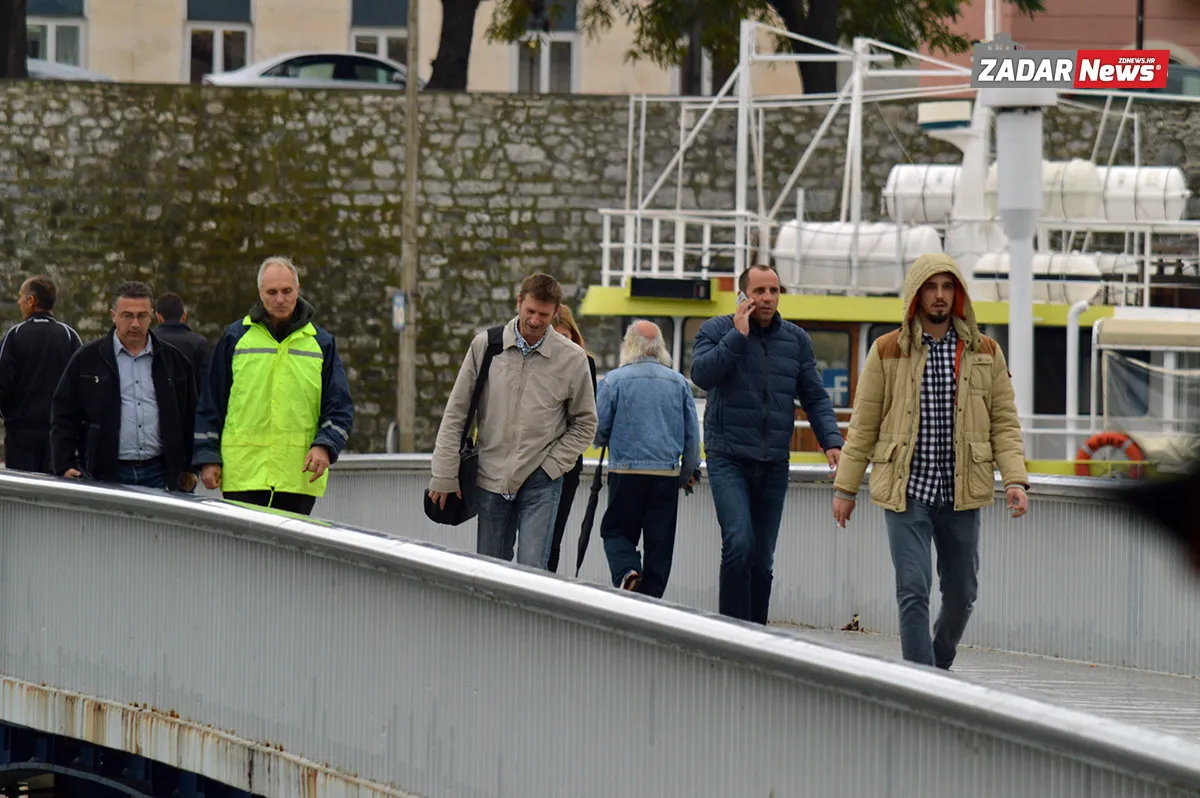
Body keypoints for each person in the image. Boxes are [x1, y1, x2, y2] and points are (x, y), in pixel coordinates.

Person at [832, 253, 1029, 671]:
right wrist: (845, 489)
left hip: (962, 489)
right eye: (931, 287)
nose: (939, 295)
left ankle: (936, 666)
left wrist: (1014, 479)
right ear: (916, 295)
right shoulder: (887, 350)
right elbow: (864, 425)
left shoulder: (985, 351)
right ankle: (919, 682)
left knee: (962, 594)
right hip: (907, 488)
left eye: (947, 287)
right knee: (913, 588)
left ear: (958, 294)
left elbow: (1004, 423)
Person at [690, 263, 843, 625]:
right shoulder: (716, 330)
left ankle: (756, 636)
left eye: (773, 290)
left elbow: (815, 397)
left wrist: (832, 442)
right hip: (728, 456)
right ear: (742, 296)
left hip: (774, 460)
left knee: (762, 559)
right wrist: (737, 336)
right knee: (739, 543)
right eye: (759, 291)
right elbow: (701, 375)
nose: (768, 298)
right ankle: (731, 635)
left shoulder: (796, 340)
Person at [428, 273, 598, 568]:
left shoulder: (573, 358)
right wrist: (443, 474)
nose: (535, 320)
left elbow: (585, 423)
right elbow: (457, 412)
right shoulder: (486, 345)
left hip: (541, 481)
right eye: (530, 311)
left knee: (532, 572)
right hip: (490, 476)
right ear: (518, 302)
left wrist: (551, 467)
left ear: (556, 312)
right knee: (490, 571)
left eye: (544, 314)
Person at [193, 256, 355, 516]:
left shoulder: (321, 343)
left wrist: (325, 446)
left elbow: (340, 407)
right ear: (260, 293)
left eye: (286, 291)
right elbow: (211, 402)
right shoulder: (236, 337)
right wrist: (207, 457)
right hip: (243, 474)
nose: (280, 299)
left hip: (297, 477)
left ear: (298, 290)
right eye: (272, 292)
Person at [49, 281, 198, 491]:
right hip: (103, 473)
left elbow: (190, 416)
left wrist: (190, 466)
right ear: (114, 316)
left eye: (142, 316)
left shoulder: (175, 362)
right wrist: (64, 463)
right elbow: (63, 414)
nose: (135, 324)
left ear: (152, 316)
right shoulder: (86, 360)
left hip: (160, 473)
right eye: (127, 316)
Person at [594, 320, 700, 597]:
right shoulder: (678, 382)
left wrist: (608, 438)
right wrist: (686, 473)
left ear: (629, 345)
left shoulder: (614, 380)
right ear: (661, 347)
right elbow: (692, 438)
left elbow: (598, 430)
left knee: (616, 532)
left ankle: (627, 570)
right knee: (660, 545)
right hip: (665, 476)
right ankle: (651, 601)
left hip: (626, 473)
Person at [0, 276, 82, 474]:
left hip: (21, 432)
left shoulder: (14, 335)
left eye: (21, 297)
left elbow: (3, 383)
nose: (18, 302)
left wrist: (10, 416)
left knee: (22, 487)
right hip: (59, 433)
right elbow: (81, 383)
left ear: (32, 300)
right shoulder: (69, 335)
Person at [547, 305, 597, 574]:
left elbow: (586, 418)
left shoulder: (584, 363)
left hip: (564, 464)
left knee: (551, 540)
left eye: (564, 338)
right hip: (529, 459)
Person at [154, 291, 214, 391]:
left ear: (158, 316)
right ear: (184, 316)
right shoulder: (199, 344)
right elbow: (207, 384)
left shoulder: (149, 341)